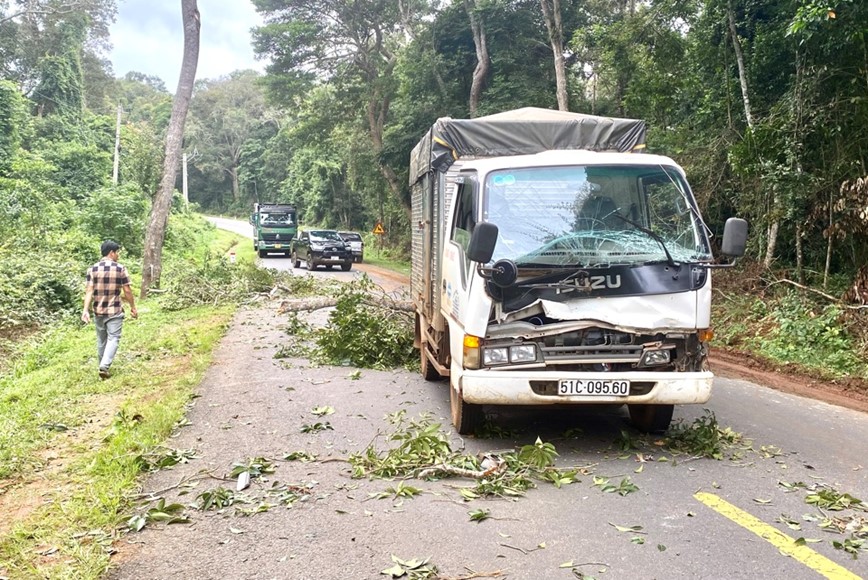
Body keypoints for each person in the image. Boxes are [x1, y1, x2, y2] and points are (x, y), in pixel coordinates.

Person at [81, 240, 138, 379]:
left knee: (101, 340)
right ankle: (104, 366)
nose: (118, 255)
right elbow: (127, 290)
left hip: (98, 311)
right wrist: (133, 307)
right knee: (114, 338)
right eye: (117, 252)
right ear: (111, 253)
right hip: (114, 310)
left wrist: (85, 310)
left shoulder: (92, 269)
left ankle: (102, 367)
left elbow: (89, 291)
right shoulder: (120, 268)